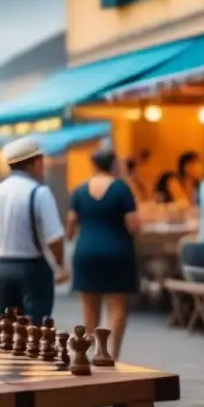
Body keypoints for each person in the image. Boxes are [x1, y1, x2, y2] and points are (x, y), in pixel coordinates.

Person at [0, 138, 68, 324]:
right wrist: (60, 266)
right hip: (33, 269)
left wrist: (3, 244)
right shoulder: (40, 193)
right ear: (33, 164)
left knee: (7, 327)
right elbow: (55, 239)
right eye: (42, 163)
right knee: (36, 327)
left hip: (3, 268)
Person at [65, 148, 139, 359]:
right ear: (114, 164)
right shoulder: (121, 189)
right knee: (116, 306)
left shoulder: (79, 191)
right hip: (117, 251)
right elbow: (133, 225)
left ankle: (84, 356)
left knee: (89, 310)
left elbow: (70, 226)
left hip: (86, 251)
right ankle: (110, 355)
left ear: (93, 165)